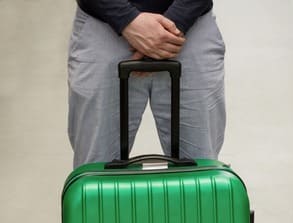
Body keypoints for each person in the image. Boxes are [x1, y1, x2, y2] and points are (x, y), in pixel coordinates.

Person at [68, 0, 226, 168]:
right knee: (96, 175)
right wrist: (125, 18)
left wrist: (168, 30)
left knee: (200, 176)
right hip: (102, 25)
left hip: (191, 25)